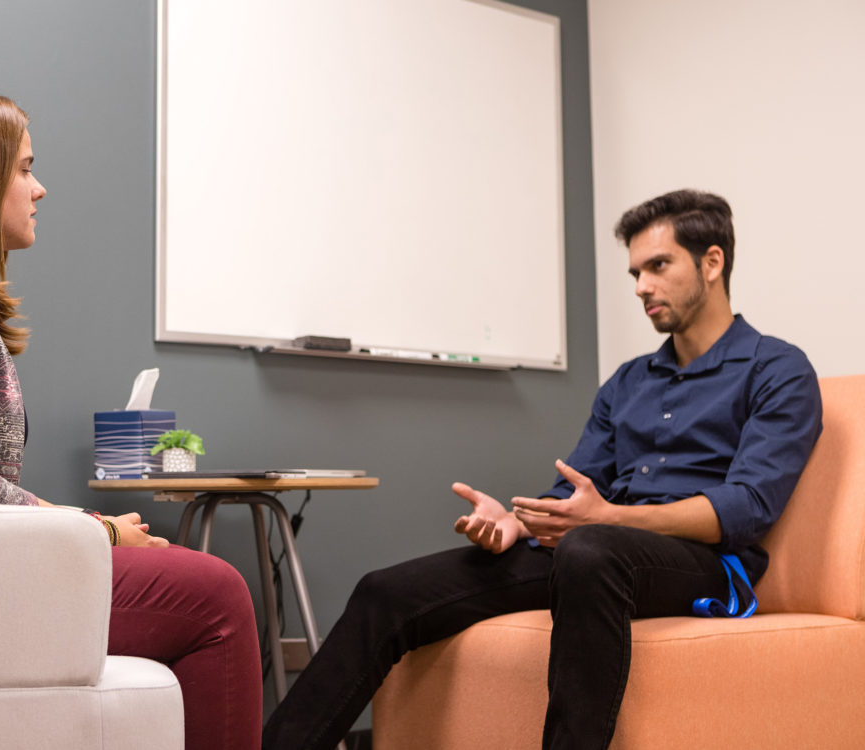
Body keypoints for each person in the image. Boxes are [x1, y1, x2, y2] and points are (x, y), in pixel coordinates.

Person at [261, 189, 823, 749]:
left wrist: (611, 521)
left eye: (658, 266)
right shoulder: (628, 381)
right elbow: (575, 490)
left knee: (589, 549)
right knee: (385, 591)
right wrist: (518, 522)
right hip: (598, 551)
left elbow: (749, 507)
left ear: (713, 262)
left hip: (703, 564)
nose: (641, 287)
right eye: (634, 272)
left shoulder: (777, 369)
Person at [0, 86, 262, 750]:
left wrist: (94, 530)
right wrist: (101, 531)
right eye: (23, 168)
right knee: (214, 594)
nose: (39, 188)